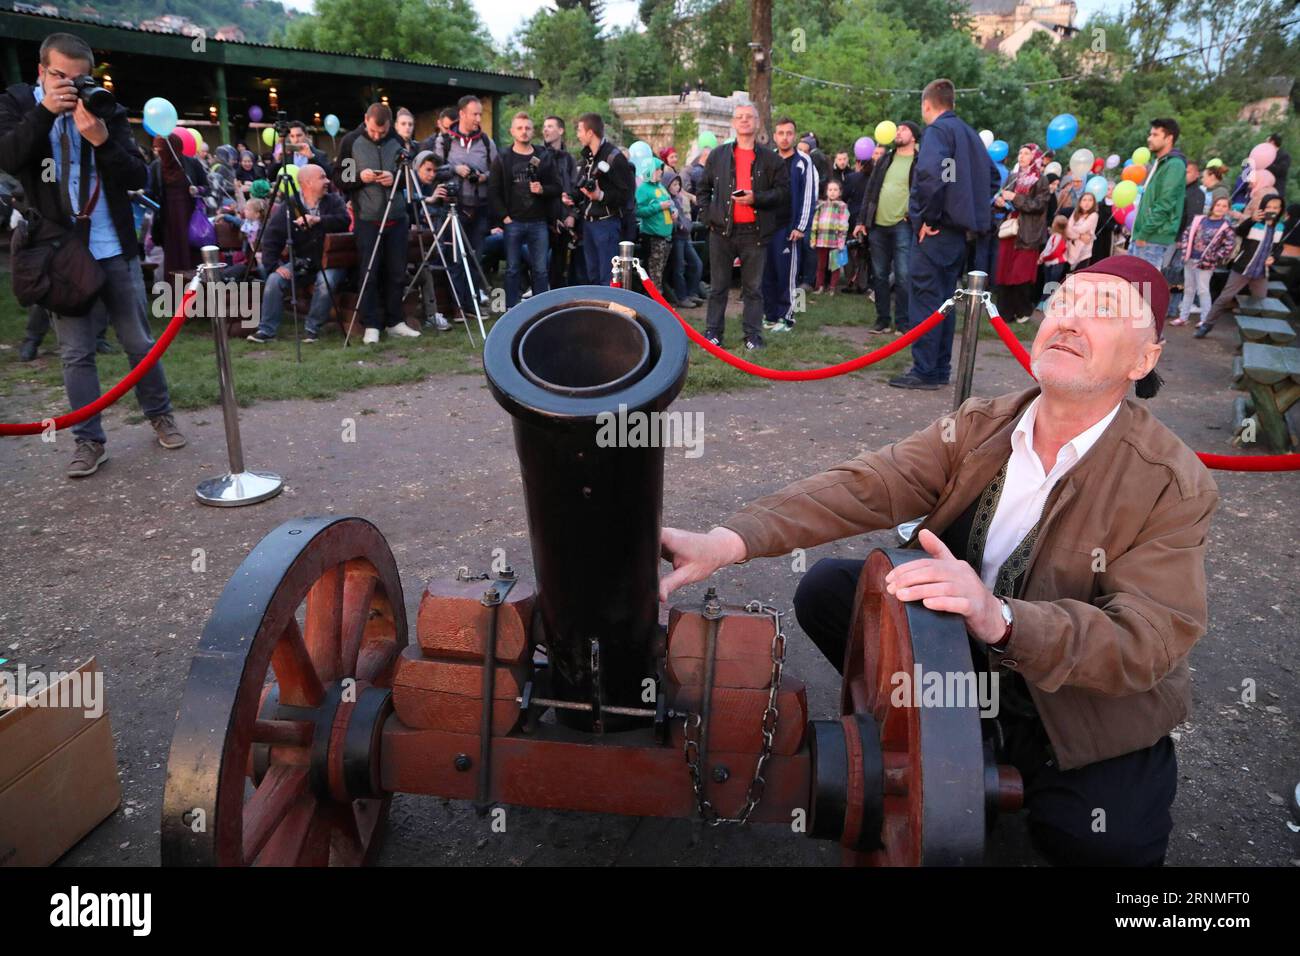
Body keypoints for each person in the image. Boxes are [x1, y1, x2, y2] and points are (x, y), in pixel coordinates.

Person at [659, 255, 1216, 867]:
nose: (1071, 319)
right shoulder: (984, 424)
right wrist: (729, 540)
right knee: (826, 590)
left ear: (1144, 359)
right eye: (1064, 301)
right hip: (964, 652)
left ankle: (981, 748)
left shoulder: (1170, 482)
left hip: (1077, 704)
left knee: (1101, 842)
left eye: (1105, 310)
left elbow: (1148, 638)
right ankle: (953, 735)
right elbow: (867, 484)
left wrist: (1002, 617)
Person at [0, 31, 185, 477]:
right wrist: (45, 113)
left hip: (111, 244)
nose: (71, 87)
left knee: (139, 341)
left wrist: (101, 140)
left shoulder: (105, 108)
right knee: (76, 353)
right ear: (41, 72)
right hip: (60, 252)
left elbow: (137, 174)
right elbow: (8, 156)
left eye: (80, 79)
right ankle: (88, 441)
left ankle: (160, 415)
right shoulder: (19, 105)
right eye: (61, 77)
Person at [889, 80, 999, 389]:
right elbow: (990, 178)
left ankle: (925, 369)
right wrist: (968, 209)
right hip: (959, 234)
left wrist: (929, 217)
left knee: (926, 299)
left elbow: (932, 175)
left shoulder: (938, 132)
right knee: (945, 301)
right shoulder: (969, 135)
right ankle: (938, 368)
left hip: (936, 231)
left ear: (927, 104)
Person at [695, 103, 790, 351]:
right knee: (718, 287)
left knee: (753, 289)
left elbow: (783, 194)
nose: (744, 120)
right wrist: (708, 217)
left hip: (755, 233)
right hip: (721, 231)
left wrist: (755, 198)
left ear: (757, 123)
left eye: (749, 117)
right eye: (740, 117)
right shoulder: (718, 155)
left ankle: (752, 335)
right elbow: (702, 189)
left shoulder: (771, 159)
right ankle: (713, 333)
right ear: (734, 123)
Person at [339, 103, 418, 344]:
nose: (377, 136)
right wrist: (359, 179)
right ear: (366, 120)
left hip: (397, 216)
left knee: (396, 271)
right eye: (373, 131)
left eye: (382, 133)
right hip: (367, 218)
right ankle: (371, 323)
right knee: (370, 271)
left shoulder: (397, 141)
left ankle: (395, 321)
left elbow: (410, 178)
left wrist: (396, 178)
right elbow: (341, 179)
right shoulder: (350, 141)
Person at [245, 164, 349, 344]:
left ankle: (312, 329)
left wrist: (318, 220)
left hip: (330, 262)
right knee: (274, 280)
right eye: (322, 177)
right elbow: (272, 237)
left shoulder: (334, 201)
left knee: (326, 282)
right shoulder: (290, 205)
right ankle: (266, 330)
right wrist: (275, 267)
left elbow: (344, 221)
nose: (328, 181)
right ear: (307, 183)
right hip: (304, 262)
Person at [424, 95, 498, 315]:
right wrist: (456, 170)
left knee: (475, 257)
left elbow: (496, 172)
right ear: (462, 114)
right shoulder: (444, 141)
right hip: (454, 207)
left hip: (479, 207)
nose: (478, 118)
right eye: (474, 114)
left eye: (480, 114)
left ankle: (473, 305)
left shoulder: (487, 141)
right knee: (455, 258)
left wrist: (483, 177)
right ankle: (458, 306)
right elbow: (435, 170)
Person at [853, 119, 919, 334]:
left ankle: (903, 322)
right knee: (879, 275)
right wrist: (862, 221)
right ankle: (882, 320)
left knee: (903, 275)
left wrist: (914, 215)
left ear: (914, 136)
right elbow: (871, 190)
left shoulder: (920, 161)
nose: (898, 132)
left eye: (904, 129)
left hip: (903, 224)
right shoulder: (886, 158)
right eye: (898, 129)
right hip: (877, 225)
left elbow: (925, 191)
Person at [488, 111, 560, 309]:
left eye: (527, 128)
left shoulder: (543, 156)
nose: (524, 132)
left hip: (538, 222)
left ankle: (543, 309)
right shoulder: (503, 157)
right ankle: (511, 309)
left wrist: (542, 189)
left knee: (541, 269)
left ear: (533, 131)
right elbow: (493, 191)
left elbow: (557, 187)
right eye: (519, 128)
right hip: (514, 222)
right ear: (512, 131)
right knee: (511, 268)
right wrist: (504, 216)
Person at [1194, 193, 1286, 338]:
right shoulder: (1255, 222)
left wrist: (1274, 257)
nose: (1272, 210)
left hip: (1261, 272)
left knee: (1260, 302)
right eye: (1268, 207)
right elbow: (1239, 231)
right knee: (1225, 297)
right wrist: (1251, 220)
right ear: (1263, 207)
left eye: (1276, 207)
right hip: (1242, 268)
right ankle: (1207, 325)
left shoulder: (1280, 227)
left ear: (1281, 209)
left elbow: (1279, 247)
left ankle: (1253, 334)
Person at [762, 117, 817, 334]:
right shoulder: (769, 160)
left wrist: (801, 226)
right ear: (775, 136)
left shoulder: (803, 161)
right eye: (781, 133)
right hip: (768, 228)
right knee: (767, 274)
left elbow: (809, 196)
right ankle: (770, 314)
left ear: (794, 135)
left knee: (787, 274)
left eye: (789, 133)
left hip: (789, 228)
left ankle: (787, 317)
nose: (785, 137)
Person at [569, 112, 635, 287]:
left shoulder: (614, 157)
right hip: (588, 224)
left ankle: (608, 313)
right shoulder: (586, 158)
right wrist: (569, 197)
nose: (578, 135)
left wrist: (601, 196)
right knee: (592, 275)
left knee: (607, 276)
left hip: (607, 224)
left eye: (579, 130)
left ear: (590, 133)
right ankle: (596, 312)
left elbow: (626, 195)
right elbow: (581, 188)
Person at [993, 144, 1052, 323]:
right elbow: (1003, 197)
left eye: (1026, 153)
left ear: (1035, 157)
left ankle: (1023, 309)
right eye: (1020, 152)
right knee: (1005, 270)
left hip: (1028, 232)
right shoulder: (1012, 177)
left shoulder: (1040, 180)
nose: (1022, 156)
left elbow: (1038, 205)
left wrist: (1015, 198)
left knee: (1021, 273)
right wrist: (1000, 202)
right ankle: (1004, 312)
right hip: (1010, 230)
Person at [146, 132, 207, 279]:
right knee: (172, 253)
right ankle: (174, 290)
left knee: (191, 252)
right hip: (168, 219)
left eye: (162, 148)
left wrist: (197, 190)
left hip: (190, 217)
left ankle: (195, 287)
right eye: (156, 148)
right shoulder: (156, 167)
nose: (159, 152)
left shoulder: (192, 164)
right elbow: (152, 191)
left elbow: (207, 187)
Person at [1128, 118, 1187, 270]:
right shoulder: (1161, 162)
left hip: (1151, 238)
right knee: (1133, 288)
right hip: (1144, 236)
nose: (1149, 138)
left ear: (1169, 138)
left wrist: (1144, 233)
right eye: (1150, 134)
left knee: (1143, 289)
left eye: (1155, 135)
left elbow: (1165, 203)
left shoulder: (1174, 164)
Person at [1172, 195, 1236, 327]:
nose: (1220, 208)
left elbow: (1229, 246)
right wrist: (1185, 250)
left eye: (1224, 206)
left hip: (1206, 264)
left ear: (1228, 210)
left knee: (1203, 290)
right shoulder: (1199, 220)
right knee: (1189, 289)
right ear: (1213, 206)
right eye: (1218, 205)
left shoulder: (1226, 227)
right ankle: (1183, 317)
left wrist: (1214, 256)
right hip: (1190, 258)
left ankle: (1205, 319)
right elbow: (1187, 234)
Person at [541, 115, 581, 288]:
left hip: (564, 220)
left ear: (561, 130)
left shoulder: (569, 159)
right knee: (539, 265)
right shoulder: (539, 155)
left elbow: (575, 190)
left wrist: (572, 215)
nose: (546, 130)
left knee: (560, 267)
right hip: (542, 219)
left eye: (550, 126)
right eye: (545, 126)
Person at [635, 158, 675, 293]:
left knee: (660, 271)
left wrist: (673, 211)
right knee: (654, 273)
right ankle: (654, 303)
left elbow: (668, 202)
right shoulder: (643, 189)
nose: (661, 172)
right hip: (653, 237)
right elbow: (638, 211)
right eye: (658, 169)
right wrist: (659, 207)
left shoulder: (660, 186)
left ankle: (658, 301)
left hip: (666, 236)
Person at [666, 174, 702, 308]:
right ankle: (682, 297)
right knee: (679, 267)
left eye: (678, 184)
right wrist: (679, 225)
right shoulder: (668, 199)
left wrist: (685, 225)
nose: (677, 187)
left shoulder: (678, 199)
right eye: (674, 184)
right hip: (676, 237)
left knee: (696, 264)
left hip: (685, 236)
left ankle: (691, 293)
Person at [810, 178, 849, 294]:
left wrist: (841, 241)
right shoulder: (821, 206)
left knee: (835, 266)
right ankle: (820, 286)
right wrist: (813, 239)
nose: (832, 192)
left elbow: (843, 224)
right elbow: (815, 223)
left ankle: (832, 288)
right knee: (821, 265)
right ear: (826, 192)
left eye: (835, 190)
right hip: (822, 240)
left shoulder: (842, 206)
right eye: (830, 189)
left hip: (835, 241)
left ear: (840, 192)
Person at [1034, 215, 1069, 317]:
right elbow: (1048, 249)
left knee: (1051, 284)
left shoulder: (1059, 238)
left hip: (1056, 264)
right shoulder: (1054, 236)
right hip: (1049, 263)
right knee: (1047, 284)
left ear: (1056, 225)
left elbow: (1054, 252)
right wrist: (1042, 257)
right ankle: (1044, 303)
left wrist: (1043, 258)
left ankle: (1044, 304)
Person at [1064, 190, 1098, 271]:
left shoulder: (1094, 215)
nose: (1087, 203)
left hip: (1083, 253)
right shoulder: (1075, 212)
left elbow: (1082, 229)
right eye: (1084, 200)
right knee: (1068, 278)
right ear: (1080, 202)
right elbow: (1067, 230)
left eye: (1090, 200)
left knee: (1078, 277)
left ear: (1094, 203)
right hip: (1070, 249)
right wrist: (1080, 236)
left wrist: (1072, 228)